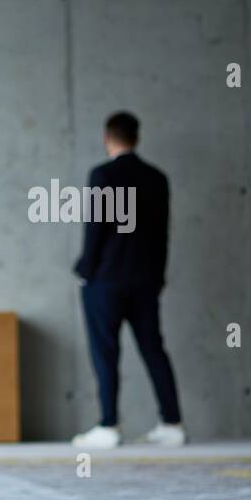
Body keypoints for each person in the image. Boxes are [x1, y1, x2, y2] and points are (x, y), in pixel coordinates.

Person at [72, 111, 185, 449]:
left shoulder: (103, 174)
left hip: (106, 279)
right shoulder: (156, 178)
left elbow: (97, 227)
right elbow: (163, 234)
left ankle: (109, 425)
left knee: (105, 351)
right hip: (146, 279)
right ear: (137, 137)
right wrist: (159, 276)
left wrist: (85, 269)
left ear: (108, 138)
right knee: (154, 349)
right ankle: (172, 423)